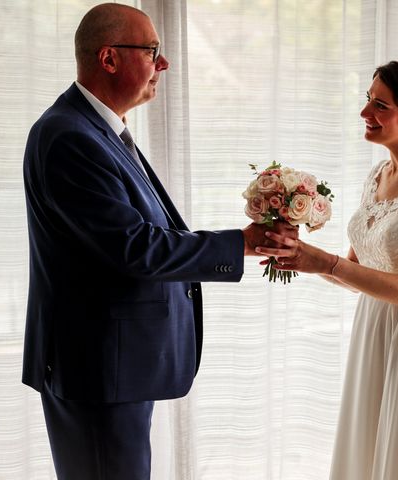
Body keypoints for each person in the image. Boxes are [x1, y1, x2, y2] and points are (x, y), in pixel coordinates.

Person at [21, 4, 292, 479]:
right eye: (152, 51)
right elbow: (136, 247)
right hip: (97, 369)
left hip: (112, 364)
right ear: (109, 59)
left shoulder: (96, 128)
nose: (163, 64)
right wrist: (240, 245)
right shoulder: (69, 136)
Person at [258, 58, 398, 479]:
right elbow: (353, 270)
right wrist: (299, 254)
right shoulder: (378, 175)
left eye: (381, 105)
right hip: (375, 331)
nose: (366, 113)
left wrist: (323, 262)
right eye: (369, 100)